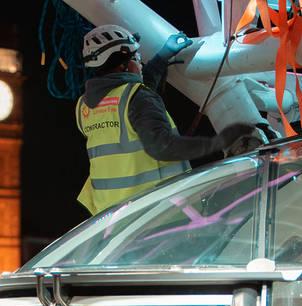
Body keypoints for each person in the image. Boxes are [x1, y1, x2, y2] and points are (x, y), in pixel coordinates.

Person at [76, 25, 257, 215]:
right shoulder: (137, 98)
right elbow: (163, 146)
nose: (140, 64)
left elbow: (135, 106)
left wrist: (162, 58)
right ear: (125, 64)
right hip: (156, 212)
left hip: (112, 215)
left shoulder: (85, 106)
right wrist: (218, 142)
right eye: (136, 58)